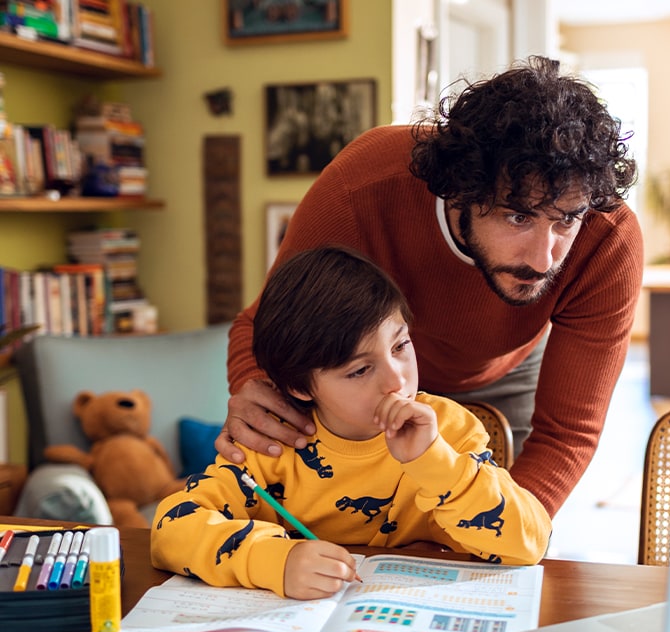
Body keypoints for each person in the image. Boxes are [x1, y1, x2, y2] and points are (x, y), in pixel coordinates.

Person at [218, 56, 644, 520]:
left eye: (566, 221)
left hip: (508, 374)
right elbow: (261, 326)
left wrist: (506, 532)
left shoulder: (608, 240)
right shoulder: (360, 188)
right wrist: (255, 386)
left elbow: (566, 434)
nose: (544, 260)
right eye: (517, 217)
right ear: (461, 190)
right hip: (364, 377)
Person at [152, 247, 552, 600]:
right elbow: (171, 528)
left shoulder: (450, 430)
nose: (396, 380)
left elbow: (530, 543)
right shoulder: (271, 443)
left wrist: (437, 463)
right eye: (360, 370)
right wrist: (273, 560)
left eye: (401, 345)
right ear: (300, 386)